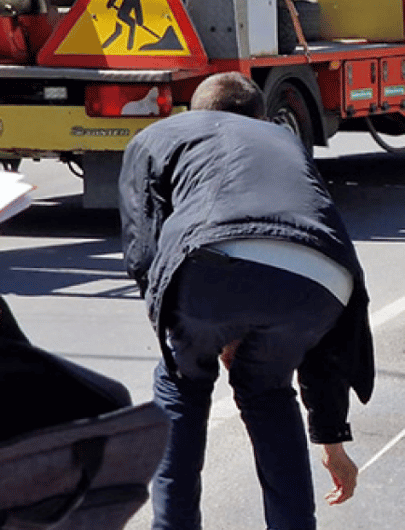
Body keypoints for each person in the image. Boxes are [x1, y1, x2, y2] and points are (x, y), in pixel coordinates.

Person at [119, 72, 374, 530]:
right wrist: (332, 441)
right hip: (325, 278)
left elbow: (143, 249)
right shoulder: (282, 140)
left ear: (194, 113)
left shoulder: (158, 136)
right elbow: (325, 347)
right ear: (259, 116)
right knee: (267, 390)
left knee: (181, 382)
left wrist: (183, 325)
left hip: (212, 263)